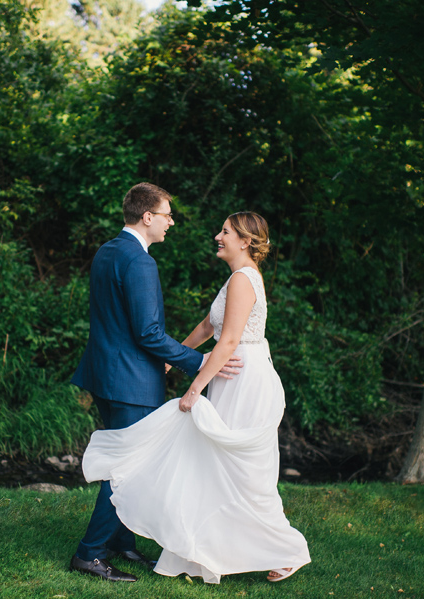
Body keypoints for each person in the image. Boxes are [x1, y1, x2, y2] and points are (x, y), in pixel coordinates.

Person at [82, 211, 311, 584]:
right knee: (216, 466)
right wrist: (173, 360)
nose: (217, 236)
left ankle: (287, 549)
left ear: (245, 241)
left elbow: (230, 341)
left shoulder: (242, 280)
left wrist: (194, 388)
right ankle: (208, 548)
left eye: (225, 232)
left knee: (241, 470)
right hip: (231, 374)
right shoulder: (236, 278)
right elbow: (209, 326)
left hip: (242, 378)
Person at [69, 183, 242, 583]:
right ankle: (89, 553)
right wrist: (201, 361)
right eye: (166, 214)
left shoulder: (108, 250)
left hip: (104, 374)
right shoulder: (141, 262)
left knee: (130, 461)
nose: (171, 221)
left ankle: (119, 542)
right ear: (147, 217)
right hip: (130, 380)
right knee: (126, 467)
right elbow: (147, 333)